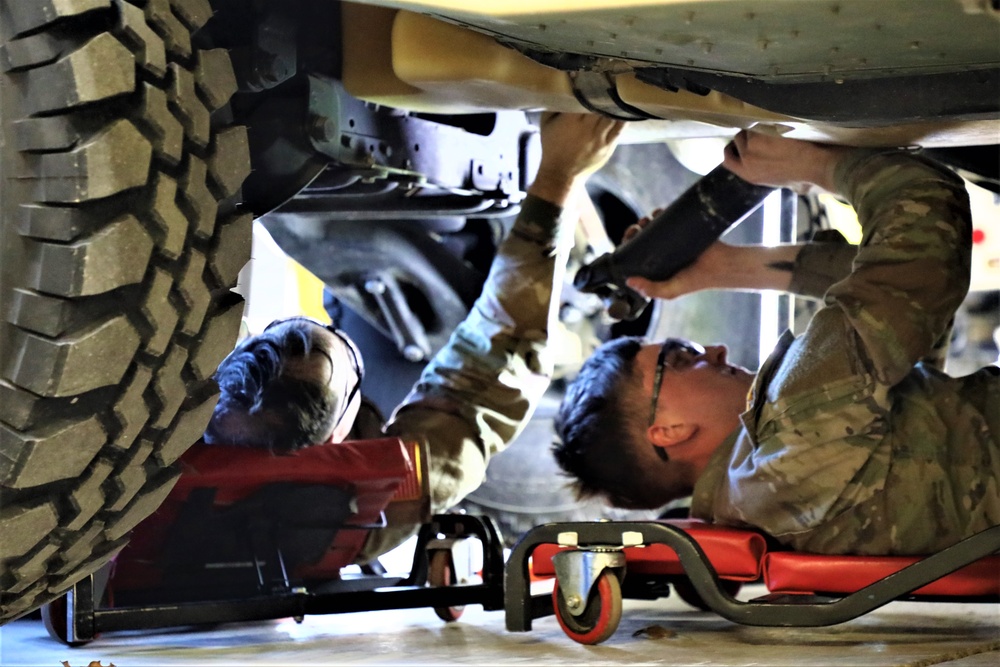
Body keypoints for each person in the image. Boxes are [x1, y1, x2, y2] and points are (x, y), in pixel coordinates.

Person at [554, 130, 1000, 556]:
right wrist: (816, 165)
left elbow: (914, 308)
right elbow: (926, 214)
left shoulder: (759, 495)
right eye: (681, 358)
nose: (714, 351)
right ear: (668, 431)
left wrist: (724, 267)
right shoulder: (791, 422)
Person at [204, 113, 625, 559]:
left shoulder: (151, 473)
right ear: (335, 440)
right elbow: (489, 382)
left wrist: (557, 178)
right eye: (342, 365)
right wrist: (559, 176)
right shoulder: (357, 510)